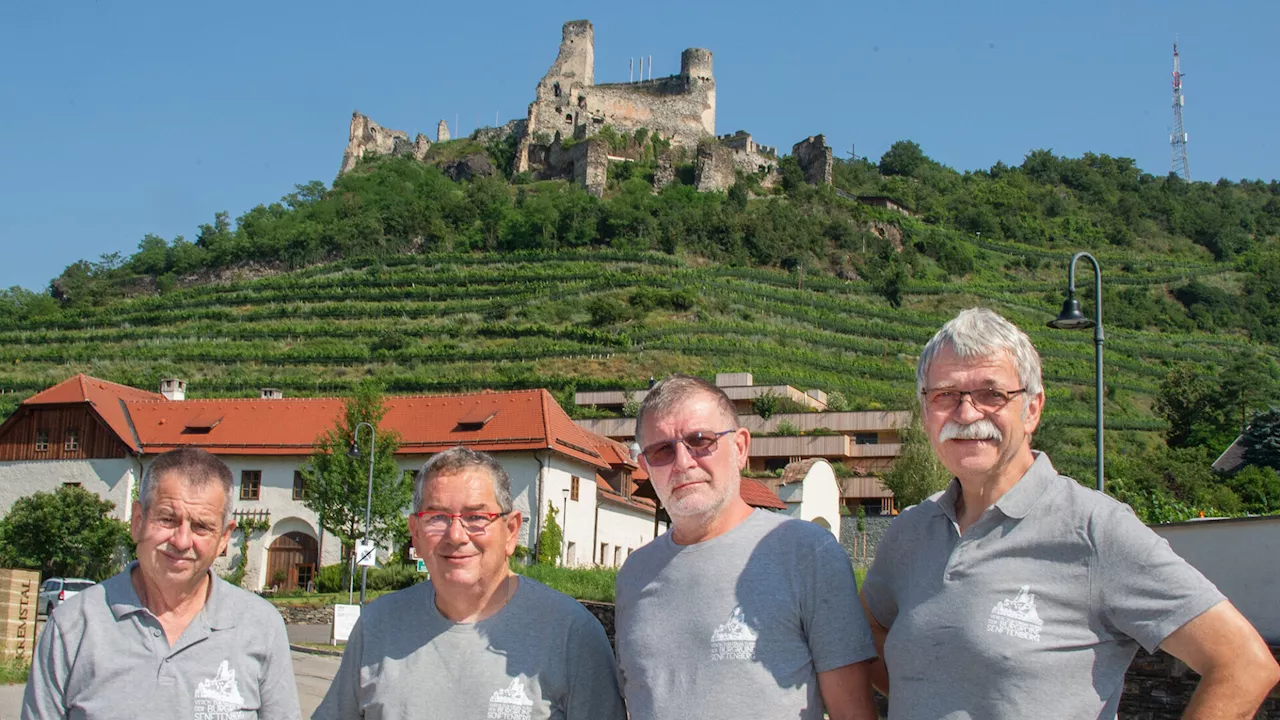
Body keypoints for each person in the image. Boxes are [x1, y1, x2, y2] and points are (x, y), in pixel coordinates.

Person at [861, 307, 1280, 719]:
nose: (967, 413)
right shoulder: (910, 532)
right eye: (945, 395)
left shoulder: (1095, 530)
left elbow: (1244, 664)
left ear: (1033, 409)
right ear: (925, 411)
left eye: (992, 394)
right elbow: (866, 636)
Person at [615, 375, 878, 720]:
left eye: (699, 440)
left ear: (740, 448)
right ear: (646, 467)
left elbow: (853, 712)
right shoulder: (634, 574)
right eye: (662, 450)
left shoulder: (806, 553)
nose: (683, 462)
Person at [313, 446, 625, 720]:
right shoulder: (378, 625)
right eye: (437, 517)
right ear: (415, 533)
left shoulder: (572, 635)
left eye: (476, 518)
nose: (456, 535)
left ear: (511, 531)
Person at [23, 447, 301, 720]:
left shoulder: (261, 626)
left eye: (201, 526)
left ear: (225, 539)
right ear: (138, 521)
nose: (181, 541)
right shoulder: (73, 626)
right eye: (168, 519)